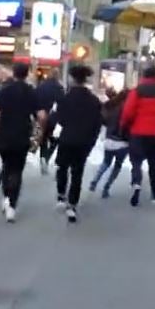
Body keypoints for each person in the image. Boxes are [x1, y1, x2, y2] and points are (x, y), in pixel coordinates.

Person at [0, 63, 46, 223]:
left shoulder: (4, 91)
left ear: (13, 73)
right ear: (27, 74)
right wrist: (38, 134)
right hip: (22, 136)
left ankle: (6, 196)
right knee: (17, 170)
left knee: (6, 166)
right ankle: (12, 205)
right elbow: (41, 116)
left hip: (4, 135)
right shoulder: (31, 92)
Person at [54, 65, 103, 222]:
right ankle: (72, 205)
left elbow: (59, 120)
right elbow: (97, 125)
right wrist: (90, 142)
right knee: (77, 173)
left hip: (67, 139)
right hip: (83, 142)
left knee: (62, 167)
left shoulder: (64, 99)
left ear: (72, 78)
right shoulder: (94, 101)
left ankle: (61, 195)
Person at [120, 65, 155, 207]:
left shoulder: (137, 91)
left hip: (137, 133)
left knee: (136, 162)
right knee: (153, 164)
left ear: (143, 75)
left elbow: (128, 112)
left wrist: (124, 126)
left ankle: (136, 183)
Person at [89, 88, 129, 198]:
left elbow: (103, 120)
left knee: (106, 163)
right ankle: (106, 187)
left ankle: (94, 181)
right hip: (123, 143)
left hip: (109, 140)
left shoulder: (111, 106)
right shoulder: (128, 109)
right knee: (117, 166)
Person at [35, 69, 65, 174]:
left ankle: (43, 156)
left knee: (42, 139)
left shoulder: (41, 87)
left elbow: (35, 101)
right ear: (57, 76)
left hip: (41, 117)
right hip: (54, 119)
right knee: (55, 140)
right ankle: (47, 157)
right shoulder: (59, 88)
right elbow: (63, 105)